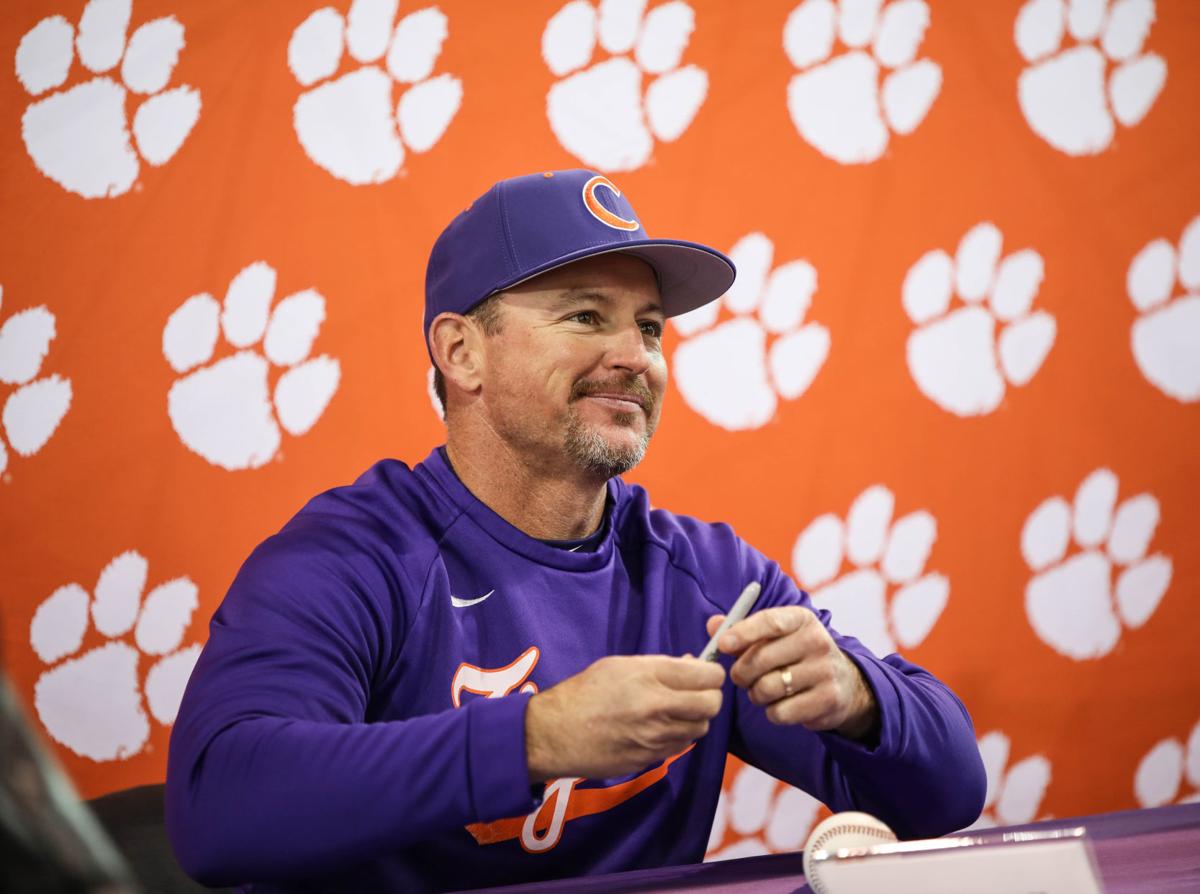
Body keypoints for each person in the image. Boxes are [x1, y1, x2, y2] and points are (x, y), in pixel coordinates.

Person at [166, 169, 986, 892]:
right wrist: (533, 738)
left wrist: (860, 699)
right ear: (461, 351)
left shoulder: (700, 575)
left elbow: (945, 799)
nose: (636, 355)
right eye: (587, 317)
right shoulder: (351, 558)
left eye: (652, 326)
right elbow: (218, 811)